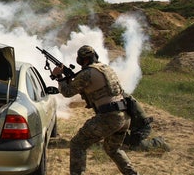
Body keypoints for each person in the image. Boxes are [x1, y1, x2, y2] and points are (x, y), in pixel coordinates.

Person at [52, 45, 138, 175]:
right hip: (124, 116)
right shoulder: (106, 68)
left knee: (77, 144)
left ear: (83, 60)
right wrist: (69, 78)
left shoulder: (87, 73)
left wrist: (59, 77)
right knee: (112, 149)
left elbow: (67, 92)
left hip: (109, 117)